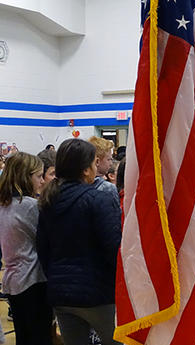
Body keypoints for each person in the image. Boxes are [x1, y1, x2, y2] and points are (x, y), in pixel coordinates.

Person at [37, 138, 122, 345]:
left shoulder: (48, 200)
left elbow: (42, 248)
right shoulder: (99, 199)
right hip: (98, 293)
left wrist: (58, 276)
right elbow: (113, 249)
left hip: (62, 293)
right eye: (94, 163)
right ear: (85, 169)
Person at [0, 152, 53, 345]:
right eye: (38, 176)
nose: (41, 181)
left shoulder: (4, 204)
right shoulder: (30, 206)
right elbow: (45, 241)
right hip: (33, 279)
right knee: (40, 336)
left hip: (12, 280)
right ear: (25, 177)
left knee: (24, 336)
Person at [88, 136, 119, 206]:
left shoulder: (79, 184)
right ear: (97, 161)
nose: (111, 163)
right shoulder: (108, 188)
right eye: (109, 159)